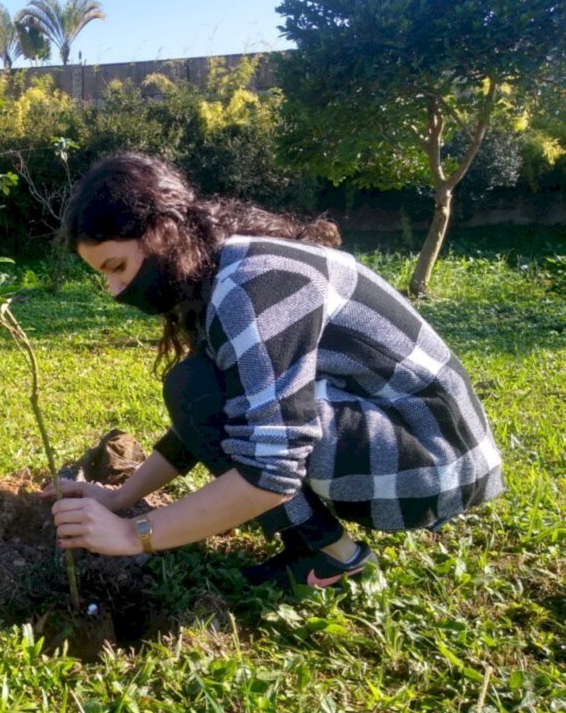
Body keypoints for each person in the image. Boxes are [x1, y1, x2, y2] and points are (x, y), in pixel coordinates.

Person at [44, 153, 504, 588]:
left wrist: (132, 534)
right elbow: (206, 414)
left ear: (163, 232)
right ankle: (322, 548)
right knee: (199, 387)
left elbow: (271, 469)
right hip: (403, 443)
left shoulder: (251, 285)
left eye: (118, 267)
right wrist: (120, 500)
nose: (114, 289)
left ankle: (336, 557)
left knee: (233, 413)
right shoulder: (223, 269)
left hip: (434, 465)